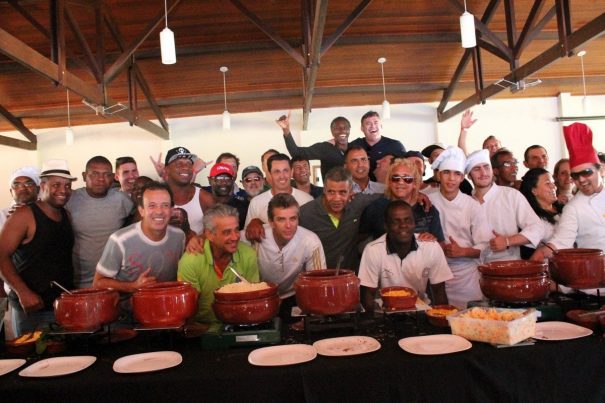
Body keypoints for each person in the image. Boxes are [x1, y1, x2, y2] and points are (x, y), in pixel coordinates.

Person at [0, 160, 76, 337]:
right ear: (43, 186)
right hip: (34, 307)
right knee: (37, 359)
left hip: (61, 304)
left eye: (67, 185)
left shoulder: (66, 215)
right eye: (56, 184)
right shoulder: (24, 214)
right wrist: (23, 292)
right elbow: (1, 255)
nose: (63, 190)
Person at [93, 182, 185, 315]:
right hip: (127, 318)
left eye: (165, 205)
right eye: (152, 206)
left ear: (171, 210)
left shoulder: (179, 237)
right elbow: (98, 283)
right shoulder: (120, 240)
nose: (159, 211)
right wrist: (133, 286)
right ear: (141, 210)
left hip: (167, 312)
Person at [359, 200, 453, 314]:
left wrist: (442, 320)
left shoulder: (431, 247)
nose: (403, 225)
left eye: (408, 220)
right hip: (385, 312)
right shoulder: (373, 250)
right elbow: (367, 295)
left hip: (421, 311)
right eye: (396, 221)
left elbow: (439, 292)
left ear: (414, 223)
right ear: (386, 226)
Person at [531, 123, 605, 266]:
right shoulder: (573, 207)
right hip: (595, 278)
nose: (581, 180)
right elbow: (561, 242)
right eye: (576, 176)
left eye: (587, 172)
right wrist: (540, 255)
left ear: (600, 169)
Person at [178, 204, 259, 332]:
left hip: (240, 326)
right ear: (209, 234)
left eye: (236, 230)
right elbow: (187, 315)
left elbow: (253, 301)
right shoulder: (190, 261)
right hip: (201, 332)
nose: (235, 237)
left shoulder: (248, 254)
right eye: (227, 232)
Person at [427, 147, 491, 308]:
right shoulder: (427, 200)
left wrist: (462, 251)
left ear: (462, 178)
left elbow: (485, 245)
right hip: (432, 273)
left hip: (466, 277)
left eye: (457, 174)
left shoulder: (472, 205)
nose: (451, 178)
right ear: (438, 175)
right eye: (446, 172)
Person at [66, 156, 133, 289]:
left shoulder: (122, 200)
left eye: (106, 174)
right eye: (95, 174)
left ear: (113, 177)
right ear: (85, 176)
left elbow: (138, 222)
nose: (101, 179)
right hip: (81, 282)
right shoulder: (70, 200)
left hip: (115, 281)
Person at [465, 149, 543, 261]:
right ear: (469, 175)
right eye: (477, 169)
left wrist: (507, 241)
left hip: (510, 267)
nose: (483, 173)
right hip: (476, 270)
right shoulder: (466, 202)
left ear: (492, 170)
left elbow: (537, 228)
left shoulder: (511, 195)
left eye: (486, 167)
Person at [256, 193, 325, 319]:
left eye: (293, 219)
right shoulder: (254, 237)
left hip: (293, 297)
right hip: (258, 298)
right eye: (281, 219)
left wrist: (311, 316)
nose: (288, 225)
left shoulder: (310, 241)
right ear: (271, 222)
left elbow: (317, 283)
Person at [299, 167, 381, 270]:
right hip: (318, 277)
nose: (336, 198)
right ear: (324, 189)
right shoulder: (305, 213)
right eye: (331, 192)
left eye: (342, 192)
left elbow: (386, 195)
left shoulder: (357, 203)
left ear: (351, 191)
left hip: (349, 278)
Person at [360, 158, 444, 242]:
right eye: (395, 178)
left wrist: (432, 241)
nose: (400, 182)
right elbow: (361, 241)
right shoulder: (375, 208)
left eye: (407, 179)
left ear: (414, 183)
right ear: (389, 182)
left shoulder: (428, 210)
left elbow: (441, 245)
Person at [245, 154, 313, 242]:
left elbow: (313, 236)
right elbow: (248, 237)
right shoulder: (256, 203)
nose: (282, 176)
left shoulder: (308, 200)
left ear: (291, 172)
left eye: (285, 170)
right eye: (277, 171)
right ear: (269, 174)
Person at [278, 112, 351, 179]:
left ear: (349, 129)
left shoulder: (355, 147)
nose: (342, 130)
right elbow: (296, 153)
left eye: (346, 127)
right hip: (332, 191)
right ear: (332, 131)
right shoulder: (325, 148)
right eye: (337, 128)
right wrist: (286, 130)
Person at [164, 146, 215, 234]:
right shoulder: (154, 197)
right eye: (179, 164)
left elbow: (217, 232)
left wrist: (197, 239)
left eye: (189, 164)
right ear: (166, 170)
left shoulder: (205, 198)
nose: (185, 167)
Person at [519, 168, 563, 260]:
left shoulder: (565, 209)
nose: (553, 187)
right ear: (534, 190)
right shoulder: (532, 220)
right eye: (547, 184)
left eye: (553, 183)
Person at [350, 111, 405, 181]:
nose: (373, 126)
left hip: (387, 188)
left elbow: (405, 168)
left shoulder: (395, 146)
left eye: (376, 123)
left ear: (381, 126)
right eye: (368, 123)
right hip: (359, 188)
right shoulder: (353, 145)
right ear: (362, 128)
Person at [207, 162, 249, 229]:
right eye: (219, 178)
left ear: (232, 181)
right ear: (210, 180)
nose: (224, 182)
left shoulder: (242, 206)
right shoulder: (202, 199)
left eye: (227, 178)